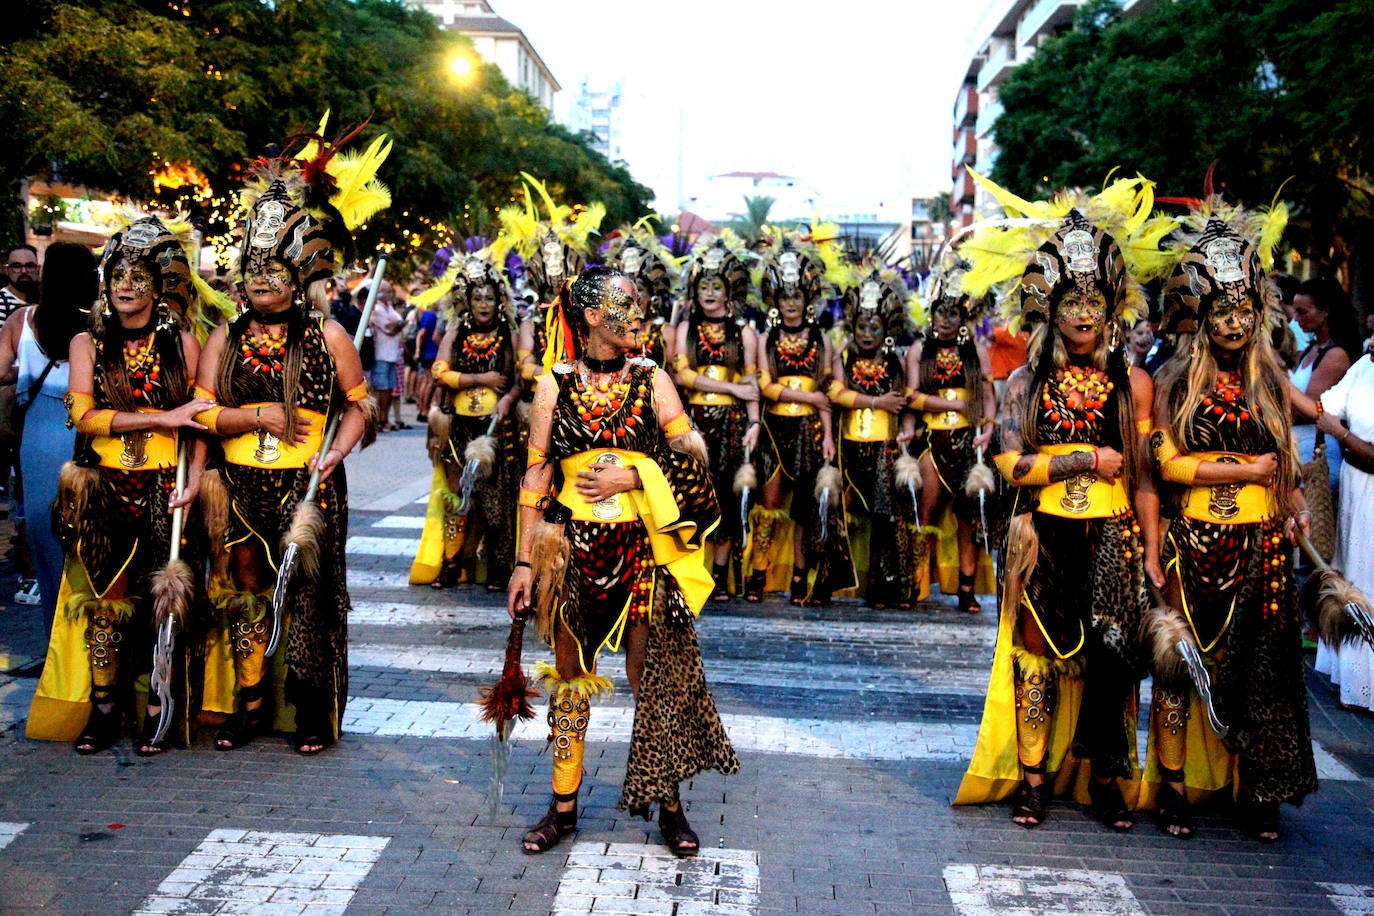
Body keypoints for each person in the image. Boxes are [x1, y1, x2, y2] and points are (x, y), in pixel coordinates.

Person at [954, 174, 1167, 833]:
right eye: (1070, 298)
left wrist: (1154, 555)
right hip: (1043, 533)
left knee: (1115, 662)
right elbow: (1012, 462)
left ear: (1113, 307)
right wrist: (1081, 459)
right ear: (1050, 304)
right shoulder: (1025, 380)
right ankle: (1035, 784)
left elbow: (1141, 480)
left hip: (1113, 537)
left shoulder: (1133, 382)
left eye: (1094, 300)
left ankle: (1106, 782)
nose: (1082, 312)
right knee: (1036, 661)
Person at [508, 267, 738, 856]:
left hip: (640, 551)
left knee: (650, 676)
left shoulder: (653, 378)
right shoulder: (553, 384)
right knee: (569, 678)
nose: (638, 316)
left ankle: (669, 807)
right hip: (569, 551)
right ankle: (562, 807)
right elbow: (535, 474)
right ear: (590, 317)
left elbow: (693, 460)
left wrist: (636, 473)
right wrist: (525, 563)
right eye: (625, 306)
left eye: (639, 305)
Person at [194, 129, 387, 755]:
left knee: (308, 594)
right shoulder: (226, 334)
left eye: (275, 270)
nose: (263, 282)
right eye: (253, 271)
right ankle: (249, 702)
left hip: (307, 485)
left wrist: (338, 451)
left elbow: (359, 408)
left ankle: (309, 707)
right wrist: (253, 419)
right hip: (239, 484)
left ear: (299, 272)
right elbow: (201, 410)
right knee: (246, 584)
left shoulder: (329, 334)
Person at [1144, 207, 1317, 842]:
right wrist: (1244, 469)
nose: (1235, 323)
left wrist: (1293, 500)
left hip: (1263, 546)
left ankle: (1260, 790)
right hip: (1191, 545)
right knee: (1177, 667)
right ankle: (1172, 790)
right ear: (1200, 318)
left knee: (1264, 671)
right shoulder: (1172, 380)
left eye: (1244, 311)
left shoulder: (1269, 378)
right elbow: (1163, 461)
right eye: (1222, 312)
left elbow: (1289, 466)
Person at [26, 216, 214, 755]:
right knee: (105, 599)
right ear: (104, 285)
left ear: (158, 287)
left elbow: (199, 418)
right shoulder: (87, 341)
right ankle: (104, 712)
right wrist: (163, 418)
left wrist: (195, 476)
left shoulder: (182, 339)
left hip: (166, 485)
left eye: (137, 277)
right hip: (105, 486)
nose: (126, 286)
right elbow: (84, 417)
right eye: (117, 277)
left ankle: (160, 707)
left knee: (164, 598)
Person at [410, 251, 519, 589]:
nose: (483, 303)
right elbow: (439, 370)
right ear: (466, 300)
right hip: (458, 426)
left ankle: (498, 568)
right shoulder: (456, 333)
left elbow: (517, 380)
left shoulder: (509, 333)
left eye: (489, 296)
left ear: (498, 300)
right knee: (457, 493)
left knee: (495, 496)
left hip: (495, 426)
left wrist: (507, 401)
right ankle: (452, 563)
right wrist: (479, 380)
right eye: (477, 297)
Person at [0, 242, 93, 640]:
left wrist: (23, 373)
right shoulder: (99, 324)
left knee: (46, 539)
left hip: (37, 438)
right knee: (89, 540)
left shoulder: (22, 321)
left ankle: (57, 644)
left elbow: (0, 373)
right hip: (88, 432)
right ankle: (95, 640)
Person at [904, 257, 998, 612]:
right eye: (940, 313)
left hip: (970, 444)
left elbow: (989, 399)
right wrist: (955, 407)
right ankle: (916, 584)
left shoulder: (976, 351)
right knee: (924, 514)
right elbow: (911, 397)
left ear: (964, 316)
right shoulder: (919, 350)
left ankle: (966, 589)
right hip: (934, 440)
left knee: (969, 517)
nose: (945, 321)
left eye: (953, 314)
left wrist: (986, 433)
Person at [747, 235, 834, 604]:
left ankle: (800, 575)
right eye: (785, 298)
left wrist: (828, 436)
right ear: (776, 301)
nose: (791, 305)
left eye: (797, 297)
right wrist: (807, 396)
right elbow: (765, 386)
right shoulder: (767, 337)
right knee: (769, 505)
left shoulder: (823, 338)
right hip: (774, 428)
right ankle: (759, 572)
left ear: (807, 299)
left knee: (803, 510)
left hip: (812, 431)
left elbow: (827, 394)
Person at [672, 235, 758, 600]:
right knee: (688, 497)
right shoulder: (684, 330)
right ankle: (685, 573)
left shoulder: (746, 334)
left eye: (716, 286)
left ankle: (720, 577)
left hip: (732, 426)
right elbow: (682, 375)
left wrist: (754, 424)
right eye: (703, 285)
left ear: (729, 293)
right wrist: (732, 390)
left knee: (724, 498)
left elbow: (751, 384)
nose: (709, 292)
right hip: (694, 424)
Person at [824, 267, 913, 608]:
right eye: (860, 326)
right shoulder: (843, 357)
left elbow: (903, 399)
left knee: (886, 517)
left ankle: (887, 588)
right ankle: (831, 583)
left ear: (887, 329)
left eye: (874, 327)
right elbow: (834, 391)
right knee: (838, 512)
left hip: (884, 448)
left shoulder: (894, 360)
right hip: (848, 446)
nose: (866, 333)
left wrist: (906, 427)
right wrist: (875, 401)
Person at [1314, 345, 1374, 711]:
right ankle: (1355, 681)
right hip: (1355, 488)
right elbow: (1326, 406)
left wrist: (1340, 433)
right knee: (1353, 580)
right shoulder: (1365, 365)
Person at [1290, 277, 1360, 491]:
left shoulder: (1336, 355)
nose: (1296, 318)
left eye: (1303, 312)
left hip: (1316, 453)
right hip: (1301, 448)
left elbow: (1313, 409)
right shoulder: (1312, 349)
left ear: (1325, 312)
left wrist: (1281, 382)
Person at [368, 280, 406, 431]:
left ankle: (385, 418)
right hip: (381, 355)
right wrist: (397, 325)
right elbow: (390, 328)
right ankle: (378, 420)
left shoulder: (389, 308)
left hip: (393, 355)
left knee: (390, 389)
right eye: (388, 291)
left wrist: (396, 325)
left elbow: (400, 323)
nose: (391, 294)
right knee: (380, 390)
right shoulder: (377, 309)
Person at [0, 244, 40, 319]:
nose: (24, 271)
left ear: (38, 268)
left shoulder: (43, 300)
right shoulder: (1, 302)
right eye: (17, 266)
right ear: (6, 270)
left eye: (29, 266)